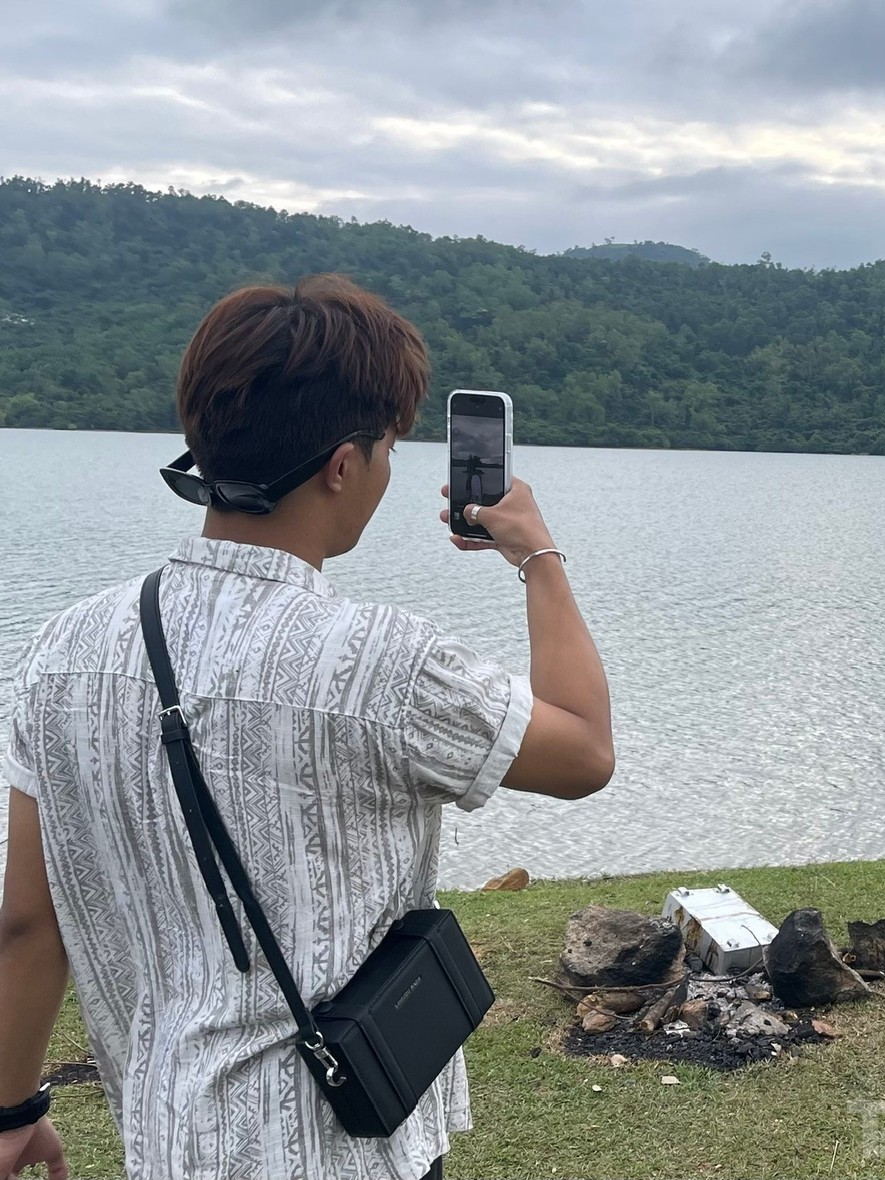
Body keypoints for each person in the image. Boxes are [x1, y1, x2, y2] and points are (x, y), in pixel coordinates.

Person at [0, 275, 615, 1180]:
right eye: (388, 447)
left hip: (174, 1140)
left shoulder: (63, 650)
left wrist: (12, 1110)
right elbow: (585, 751)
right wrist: (537, 556)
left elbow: (26, 919)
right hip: (347, 1143)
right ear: (342, 464)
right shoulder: (382, 663)